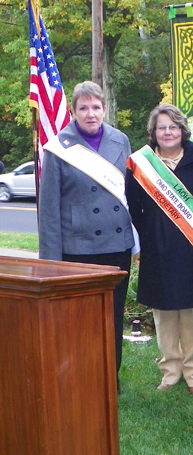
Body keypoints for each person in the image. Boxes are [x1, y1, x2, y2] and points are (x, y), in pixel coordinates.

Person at [38, 81, 135, 380]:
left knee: (113, 316)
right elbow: (49, 210)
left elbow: (129, 194)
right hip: (77, 250)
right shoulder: (58, 147)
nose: (90, 113)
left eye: (96, 107)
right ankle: (82, 377)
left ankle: (110, 376)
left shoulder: (121, 140)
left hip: (117, 246)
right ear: (74, 111)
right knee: (78, 319)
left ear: (104, 109)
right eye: (84, 108)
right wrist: (51, 261)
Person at [127, 104, 193, 395]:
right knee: (164, 314)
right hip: (158, 248)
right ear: (153, 131)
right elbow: (134, 208)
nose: (167, 132)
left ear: (182, 130)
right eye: (161, 127)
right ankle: (170, 371)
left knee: (192, 312)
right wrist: (151, 235)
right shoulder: (141, 162)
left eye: (173, 127)